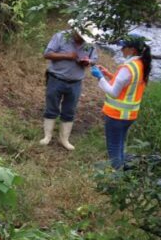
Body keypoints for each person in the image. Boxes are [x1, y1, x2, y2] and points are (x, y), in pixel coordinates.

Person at [91, 35, 151, 169]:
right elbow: (129, 84)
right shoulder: (142, 64)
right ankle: (123, 170)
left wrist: (100, 78)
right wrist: (108, 75)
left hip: (116, 116)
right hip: (129, 115)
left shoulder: (127, 67)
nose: (121, 49)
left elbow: (113, 92)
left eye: (124, 47)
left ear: (133, 49)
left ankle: (117, 181)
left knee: (114, 149)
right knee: (120, 145)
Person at [40, 21, 98, 150]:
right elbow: (47, 54)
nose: (81, 39)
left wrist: (87, 62)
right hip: (56, 78)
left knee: (70, 110)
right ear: (75, 30)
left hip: (75, 82)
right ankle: (47, 136)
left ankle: (64, 139)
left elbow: (94, 59)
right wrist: (66, 56)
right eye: (80, 35)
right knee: (51, 107)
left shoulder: (90, 44)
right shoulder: (60, 36)